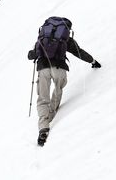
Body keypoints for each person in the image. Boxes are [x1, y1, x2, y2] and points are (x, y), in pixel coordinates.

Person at [28, 17, 101, 146]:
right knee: (58, 90)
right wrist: (93, 61)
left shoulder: (42, 37)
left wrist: (33, 54)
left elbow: (31, 55)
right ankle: (51, 115)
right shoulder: (65, 38)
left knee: (42, 98)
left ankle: (43, 127)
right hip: (59, 69)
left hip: (43, 69)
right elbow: (79, 52)